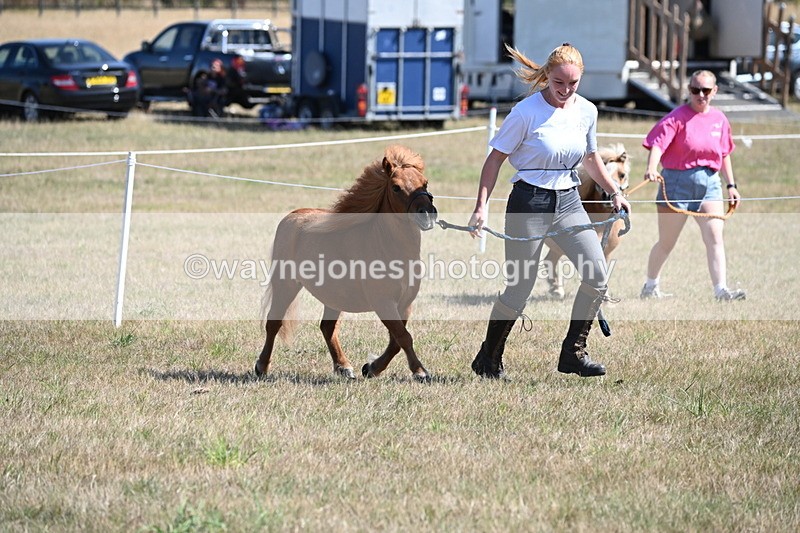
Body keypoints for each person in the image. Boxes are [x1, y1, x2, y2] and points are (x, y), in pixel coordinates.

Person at [468, 43, 631, 379]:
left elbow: (590, 157)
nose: (565, 90)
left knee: (597, 274)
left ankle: (573, 354)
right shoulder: (526, 113)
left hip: (568, 199)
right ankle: (488, 359)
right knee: (519, 287)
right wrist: (480, 207)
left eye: (573, 84)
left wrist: (614, 191)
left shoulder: (586, 111)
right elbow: (494, 160)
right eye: (559, 83)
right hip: (529, 202)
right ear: (547, 76)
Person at [640, 70, 745, 301]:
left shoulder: (719, 119)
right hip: (677, 183)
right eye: (695, 90)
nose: (700, 95)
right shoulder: (676, 117)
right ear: (689, 90)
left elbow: (724, 153)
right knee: (667, 242)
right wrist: (651, 167)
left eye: (706, 90)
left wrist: (731, 185)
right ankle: (650, 286)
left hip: (710, 184)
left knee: (715, 236)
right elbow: (658, 144)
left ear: (714, 91)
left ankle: (721, 291)